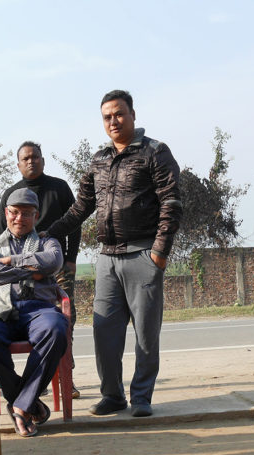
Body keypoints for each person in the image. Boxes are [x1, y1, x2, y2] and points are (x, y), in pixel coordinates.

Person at [45, 89, 182, 418]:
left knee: (146, 335)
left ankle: (142, 397)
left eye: (119, 114)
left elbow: (171, 202)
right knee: (104, 331)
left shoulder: (155, 152)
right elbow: (80, 208)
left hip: (143, 255)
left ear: (133, 115)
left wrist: (159, 253)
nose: (113, 121)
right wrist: (46, 233)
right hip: (106, 259)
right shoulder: (99, 159)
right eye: (107, 117)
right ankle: (113, 395)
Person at [0, 188, 69, 437]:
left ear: (35, 216)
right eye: (14, 212)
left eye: (26, 213)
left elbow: (52, 262)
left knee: (56, 330)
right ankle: (26, 403)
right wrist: (30, 269)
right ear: (6, 213)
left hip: (39, 310)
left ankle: (19, 405)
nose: (19, 218)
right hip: (0, 310)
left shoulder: (48, 242)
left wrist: (10, 261)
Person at [0, 141, 81, 398]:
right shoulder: (11, 195)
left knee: (65, 319)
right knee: (26, 319)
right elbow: (2, 235)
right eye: (25, 158)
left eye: (35, 157)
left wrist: (70, 258)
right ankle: (39, 379)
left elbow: (75, 224)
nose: (31, 161)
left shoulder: (59, 188)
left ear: (43, 160)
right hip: (20, 270)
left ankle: (67, 375)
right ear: (18, 164)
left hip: (56, 265)